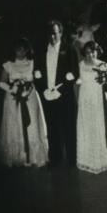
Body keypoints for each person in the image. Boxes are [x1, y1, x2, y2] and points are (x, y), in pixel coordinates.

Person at [0, 37, 49, 167]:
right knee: (15, 124)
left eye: (22, 49)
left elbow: (38, 78)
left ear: (27, 50)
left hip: (30, 97)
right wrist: (12, 89)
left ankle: (34, 157)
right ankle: (18, 156)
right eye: (17, 49)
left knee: (32, 125)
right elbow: (1, 82)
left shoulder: (32, 63)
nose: (20, 52)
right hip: (13, 99)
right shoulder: (8, 64)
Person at [34, 20, 79, 167]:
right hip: (48, 95)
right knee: (52, 127)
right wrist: (43, 90)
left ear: (60, 33)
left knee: (69, 128)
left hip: (64, 96)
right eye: (50, 34)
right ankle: (56, 158)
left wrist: (60, 90)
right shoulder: (41, 50)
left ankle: (72, 160)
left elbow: (74, 73)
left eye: (55, 33)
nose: (52, 37)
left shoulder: (70, 49)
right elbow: (37, 73)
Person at [75, 41, 107, 173]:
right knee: (86, 127)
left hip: (98, 99)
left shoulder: (103, 65)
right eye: (87, 52)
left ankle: (102, 160)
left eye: (93, 51)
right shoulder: (80, 65)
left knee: (100, 126)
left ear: (97, 51)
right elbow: (77, 81)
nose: (90, 54)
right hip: (85, 99)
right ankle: (87, 160)